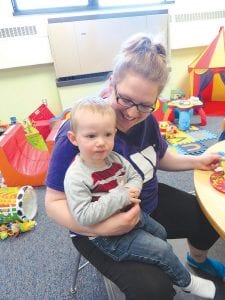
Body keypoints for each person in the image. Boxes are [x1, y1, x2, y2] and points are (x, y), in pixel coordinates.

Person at [45, 32, 225, 299]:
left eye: (144, 105)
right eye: (125, 100)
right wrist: (103, 228)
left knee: (207, 221)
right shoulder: (78, 132)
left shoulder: (147, 120)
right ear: (112, 83)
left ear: (156, 101)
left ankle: (197, 260)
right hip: (97, 224)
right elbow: (53, 202)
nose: (131, 113)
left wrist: (196, 161)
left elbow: (159, 156)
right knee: (154, 290)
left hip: (146, 205)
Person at [64, 96, 216, 298]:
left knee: (160, 232)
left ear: (114, 134)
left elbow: (134, 175)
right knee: (161, 250)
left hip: (132, 212)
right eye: (91, 136)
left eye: (107, 135)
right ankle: (186, 282)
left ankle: (160, 261)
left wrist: (132, 190)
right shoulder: (76, 176)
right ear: (74, 139)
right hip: (106, 236)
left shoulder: (114, 158)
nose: (101, 143)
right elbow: (83, 216)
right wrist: (122, 196)